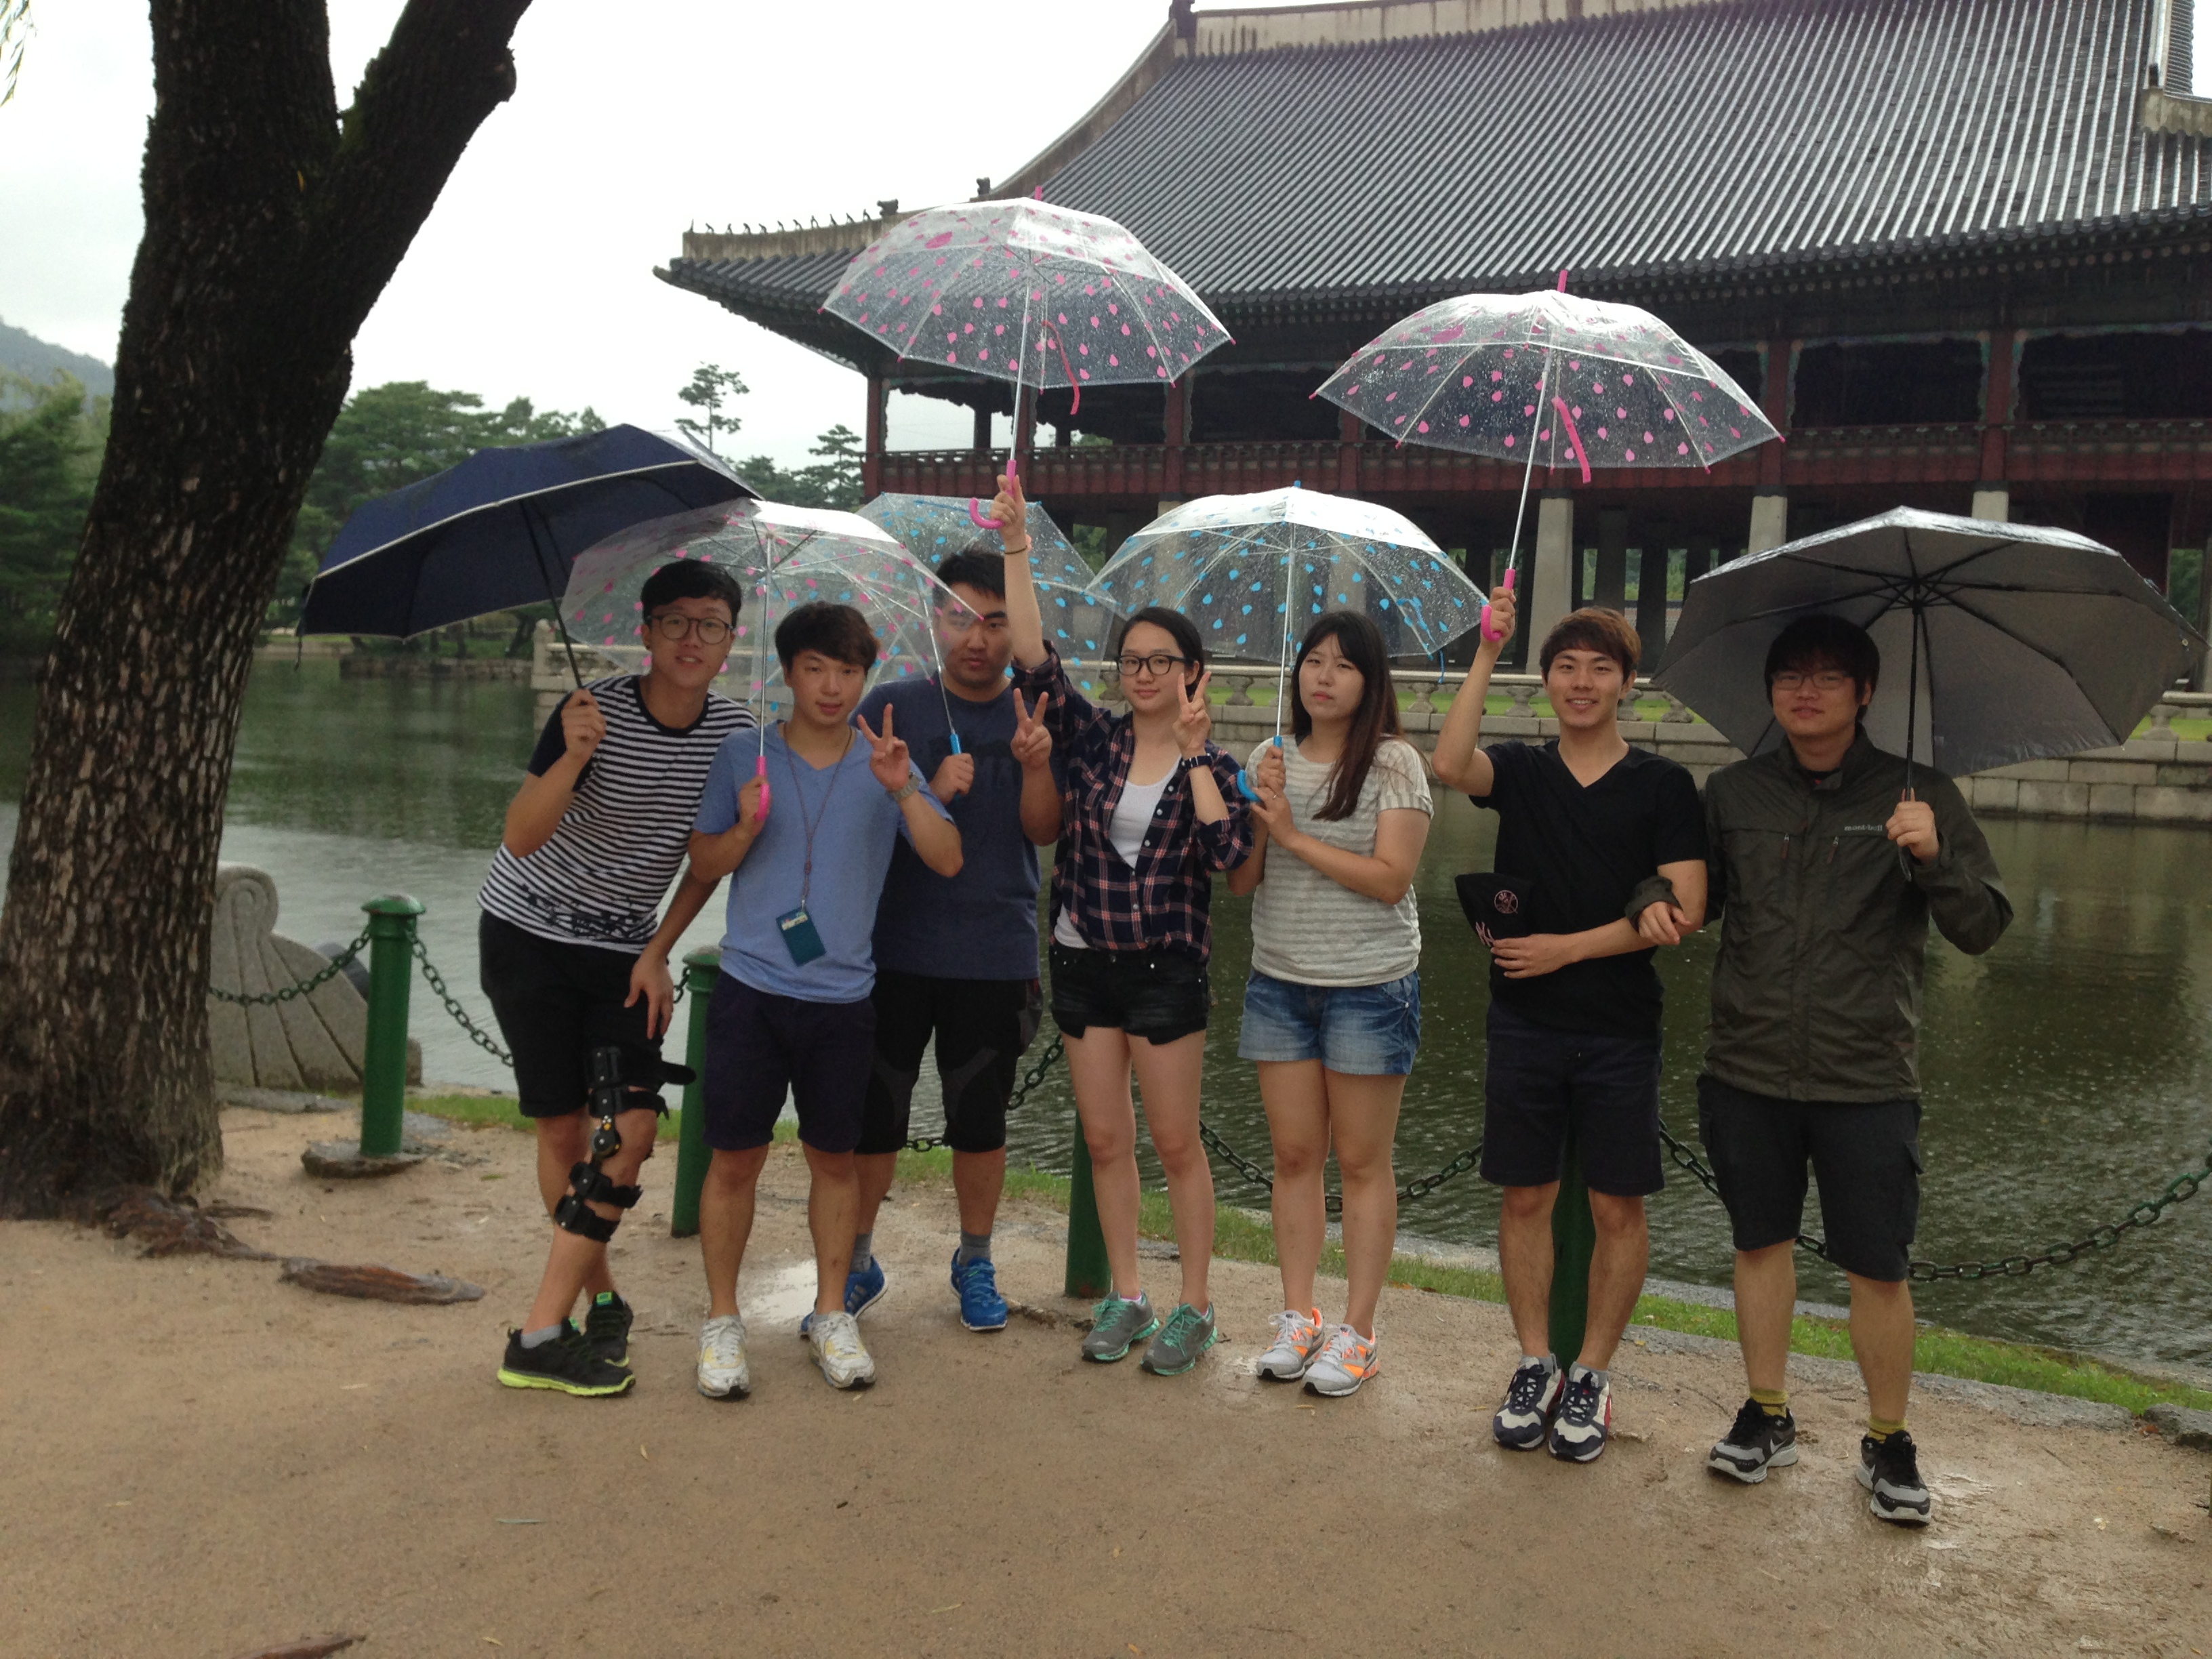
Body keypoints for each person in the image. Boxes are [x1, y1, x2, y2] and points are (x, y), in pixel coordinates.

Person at [1698, 614, 2009, 1525]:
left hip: (1867, 1072)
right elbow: (1692, 895)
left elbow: (1983, 926)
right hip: (1749, 1061)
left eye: (1829, 677)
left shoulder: (1922, 795)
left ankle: (1888, 1438)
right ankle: (1767, 1413)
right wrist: (1647, 899)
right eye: (1790, 676)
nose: (1807, 692)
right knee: (1759, 1244)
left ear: (1866, 692)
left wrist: (1932, 857)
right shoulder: (1734, 792)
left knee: (1878, 1267)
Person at [1431, 591, 1708, 1462]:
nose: (1581, 682)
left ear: (1627, 683)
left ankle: (1592, 1373)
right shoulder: (1523, 771)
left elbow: (1686, 906)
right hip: (1525, 1021)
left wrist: (1567, 950)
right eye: (1565, 667)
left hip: (1620, 1026)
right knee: (1525, 1196)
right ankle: (1534, 1361)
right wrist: (1488, 651)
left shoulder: (1663, 786)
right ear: (1546, 680)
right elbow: (1449, 763)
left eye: (1600, 668)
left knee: (1617, 1204)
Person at [995, 472, 1255, 1376]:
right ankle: (1129, 1293)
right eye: (1132, 660)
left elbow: (1228, 860)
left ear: (1193, 674)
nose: (1144, 673)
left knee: (1177, 1144)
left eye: (1162, 661)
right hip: (1084, 960)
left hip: (1164, 970)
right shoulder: (1094, 740)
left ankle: (1197, 1304)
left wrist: (1195, 760)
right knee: (1106, 1140)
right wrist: (1018, 545)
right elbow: (1034, 660)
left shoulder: (1215, 763)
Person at [484, 558, 753, 1397]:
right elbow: (521, 835)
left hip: (626, 953)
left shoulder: (736, 735)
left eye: (710, 624)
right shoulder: (589, 711)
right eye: (674, 621)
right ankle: (593, 1297)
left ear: (731, 640)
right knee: (563, 1133)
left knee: (630, 1130)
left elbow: (705, 863)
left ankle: (538, 1332)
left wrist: (659, 949)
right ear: (645, 632)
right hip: (526, 934)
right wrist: (573, 757)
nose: (691, 639)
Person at [687, 601, 962, 1397]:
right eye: (816, 669)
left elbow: (948, 857)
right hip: (751, 988)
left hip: (843, 997)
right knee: (734, 1158)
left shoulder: (885, 761)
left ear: (865, 677)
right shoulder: (745, 753)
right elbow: (703, 860)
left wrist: (904, 791)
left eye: (849, 671)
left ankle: (833, 1311)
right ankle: (723, 1321)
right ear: (788, 672)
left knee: (835, 1159)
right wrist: (744, 829)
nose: (833, 686)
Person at [840, 552, 1063, 1334]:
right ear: (933, 620)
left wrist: (1037, 766)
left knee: (981, 1120)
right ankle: (856, 1260)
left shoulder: (1035, 711)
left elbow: (1046, 831)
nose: (977, 638)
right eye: (960, 618)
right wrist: (926, 790)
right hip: (893, 948)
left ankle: (975, 1259)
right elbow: (854, 826)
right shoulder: (891, 706)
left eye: (996, 622)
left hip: (993, 950)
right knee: (876, 1115)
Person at [1228, 611, 1433, 1397]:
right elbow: (1243, 882)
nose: (1324, 677)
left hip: (1369, 986)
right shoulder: (1269, 757)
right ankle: (1298, 1315)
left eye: (1344, 665)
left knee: (1362, 1161)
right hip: (1280, 978)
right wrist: (1258, 817)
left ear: (1370, 680)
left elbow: (1391, 879)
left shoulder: (1393, 763)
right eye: (1314, 661)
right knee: (1293, 1156)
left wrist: (1292, 834)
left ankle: (1359, 1330)